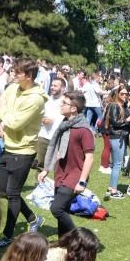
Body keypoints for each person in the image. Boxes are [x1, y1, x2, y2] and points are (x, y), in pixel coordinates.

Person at [0, 60, 46, 248]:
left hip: (24, 151)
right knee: (2, 191)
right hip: (8, 147)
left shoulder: (36, 99)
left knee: (13, 193)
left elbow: (15, 123)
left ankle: (7, 236)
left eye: (17, 72)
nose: (14, 75)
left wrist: (2, 111)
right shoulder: (13, 87)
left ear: (29, 76)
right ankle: (33, 219)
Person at [39, 91, 94, 236]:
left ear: (74, 108)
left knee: (56, 209)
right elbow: (55, 149)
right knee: (62, 211)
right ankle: (64, 244)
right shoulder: (64, 125)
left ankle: (79, 239)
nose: (61, 105)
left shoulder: (84, 130)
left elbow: (89, 158)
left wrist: (82, 182)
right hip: (61, 174)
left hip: (74, 177)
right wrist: (46, 170)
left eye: (64, 103)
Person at [102, 89, 129, 199]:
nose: (124, 95)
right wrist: (129, 119)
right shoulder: (114, 105)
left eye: (126, 94)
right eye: (122, 93)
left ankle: (111, 188)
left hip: (119, 136)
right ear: (117, 94)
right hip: (116, 136)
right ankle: (113, 190)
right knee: (117, 164)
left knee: (116, 164)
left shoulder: (122, 105)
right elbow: (115, 122)